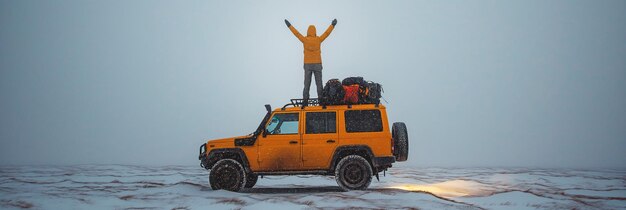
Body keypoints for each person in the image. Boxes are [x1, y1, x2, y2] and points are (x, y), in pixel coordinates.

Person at [285, 19, 337, 106]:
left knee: (307, 84)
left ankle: (305, 100)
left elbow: (296, 34)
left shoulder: (305, 40)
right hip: (317, 64)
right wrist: (333, 25)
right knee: (319, 83)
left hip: (307, 65)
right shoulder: (319, 39)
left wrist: (289, 25)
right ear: (315, 32)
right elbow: (327, 33)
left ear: (308, 32)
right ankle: (321, 99)